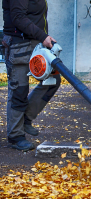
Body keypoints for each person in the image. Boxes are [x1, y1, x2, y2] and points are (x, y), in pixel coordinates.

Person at [2, 0, 61, 151]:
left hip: (36, 43)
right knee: (18, 90)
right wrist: (43, 36)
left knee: (53, 80)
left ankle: (26, 118)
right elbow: (18, 17)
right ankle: (15, 136)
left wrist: (43, 37)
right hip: (18, 44)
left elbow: (35, 17)